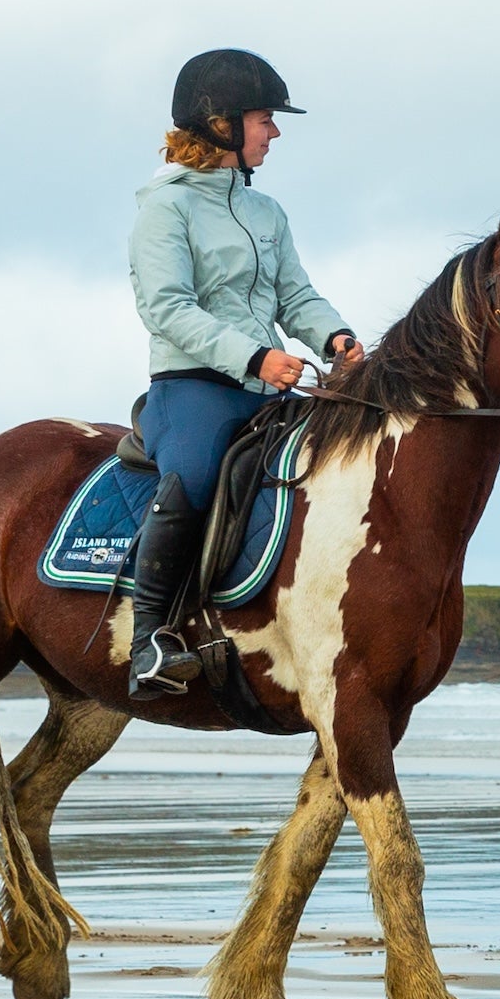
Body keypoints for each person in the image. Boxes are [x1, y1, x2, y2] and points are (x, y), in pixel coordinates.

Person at [123, 48, 361, 699]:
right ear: (220, 123)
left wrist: (334, 335)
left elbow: (295, 297)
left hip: (269, 388)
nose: (274, 132)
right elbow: (167, 307)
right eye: (264, 119)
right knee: (194, 477)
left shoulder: (266, 213)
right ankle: (149, 641)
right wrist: (254, 357)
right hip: (194, 387)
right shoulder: (165, 209)